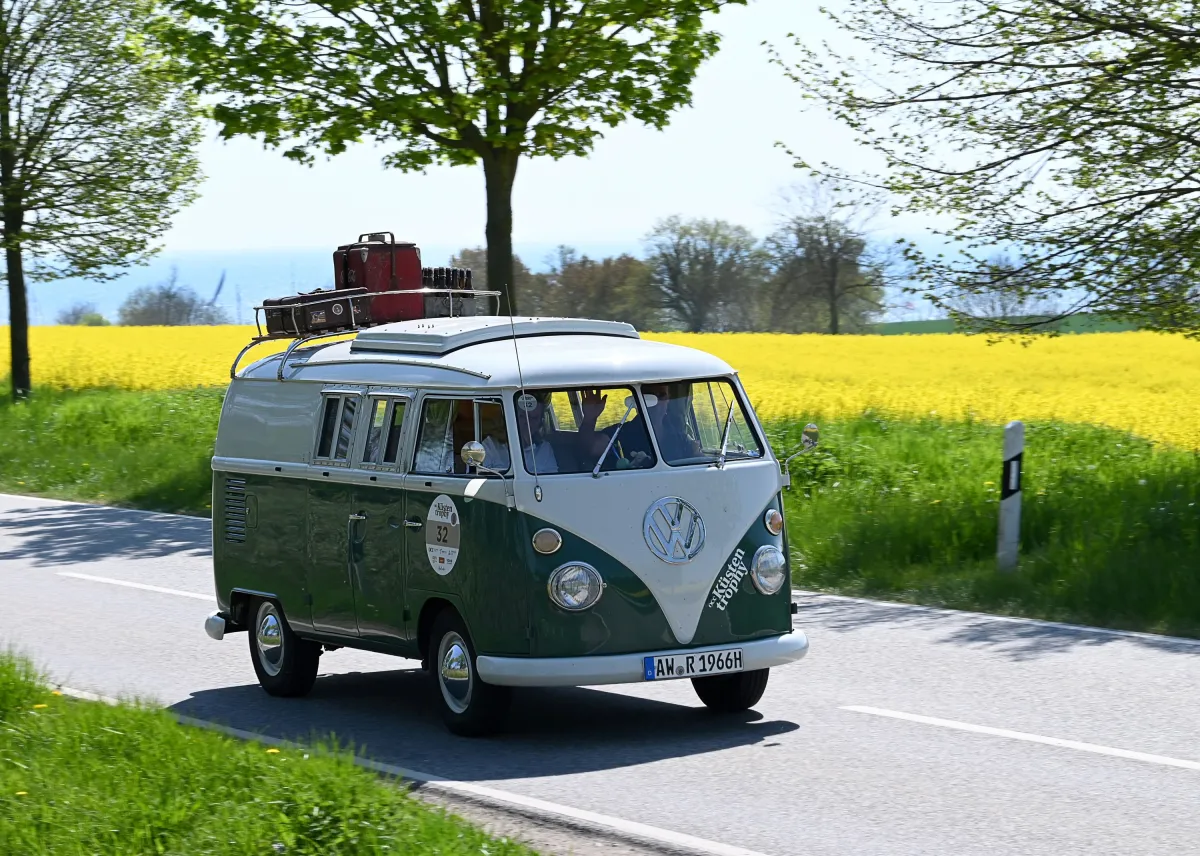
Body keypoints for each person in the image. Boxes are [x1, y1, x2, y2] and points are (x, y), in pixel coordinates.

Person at [580, 382, 701, 469]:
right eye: (649, 396)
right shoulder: (623, 433)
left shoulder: (677, 435)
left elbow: (698, 461)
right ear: (637, 402)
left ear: (668, 400)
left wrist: (698, 453)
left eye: (661, 395)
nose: (656, 401)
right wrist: (590, 418)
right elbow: (591, 448)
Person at [481, 392, 559, 474]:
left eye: (534, 418)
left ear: (540, 422)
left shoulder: (545, 448)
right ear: (512, 417)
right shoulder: (489, 446)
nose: (528, 422)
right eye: (522, 416)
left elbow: (552, 478)